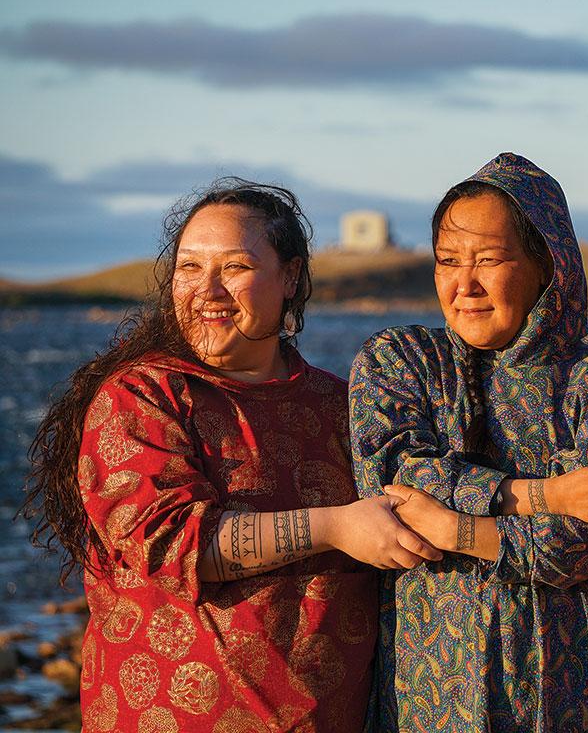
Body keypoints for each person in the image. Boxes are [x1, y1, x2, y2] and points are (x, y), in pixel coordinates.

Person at [21, 178, 439, 732]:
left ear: (290, 277)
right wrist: (337, 527)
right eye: (190, 268)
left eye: (235, 267)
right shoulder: (141, 396)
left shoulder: (341, 405)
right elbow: (170, 544)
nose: (207, 290)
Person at [349, 152, 588, 732]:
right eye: (447, 262)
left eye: (489, 261)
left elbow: (584, 540)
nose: (464, 285)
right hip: (430, 692)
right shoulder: (401, 361)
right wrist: (546, 494)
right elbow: (394, 483)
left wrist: (454, 528)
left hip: (571, 688)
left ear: (546, 266)